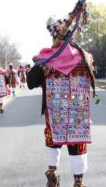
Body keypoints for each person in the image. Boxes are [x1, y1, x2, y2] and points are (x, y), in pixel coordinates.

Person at [27, 14, 97, 187]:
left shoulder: (46, 57)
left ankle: (52, 174)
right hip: (77, 116)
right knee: (77, 145)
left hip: (55, 114)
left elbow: (30, 83)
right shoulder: (85, 56)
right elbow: (92, 74)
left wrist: (42, 62)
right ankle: (78, 182)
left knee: (53, 142)